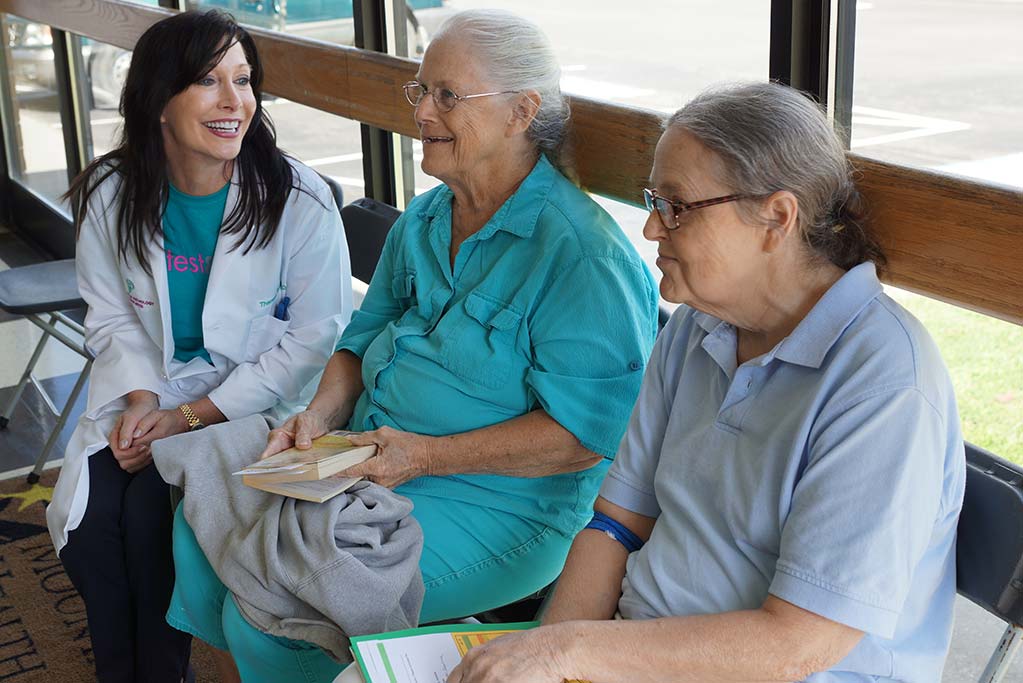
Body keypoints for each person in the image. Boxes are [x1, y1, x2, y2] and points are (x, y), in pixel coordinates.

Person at [166, 8, 659, 683]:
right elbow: (357, 341)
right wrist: (319, 416)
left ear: (521, 112)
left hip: (502, 504)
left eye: (447, 95)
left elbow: (587, 436)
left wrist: (423, 456)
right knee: (199, 536)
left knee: (277, 614)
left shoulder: (580, 254)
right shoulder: (427, 215)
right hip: (370, 458)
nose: (422, 110)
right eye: (420, 90)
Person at [449, 82, 966, 683]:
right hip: (631, 653)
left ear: (776, 218)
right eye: (653, 200)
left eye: (677, 205)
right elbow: (617, 522)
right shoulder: (701, 326)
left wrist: (566, 654)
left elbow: (797, 645)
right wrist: (550, 647)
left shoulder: (885, 383)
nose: (651, 229)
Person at [46, 10, 350, 683]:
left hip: (251, 404)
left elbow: (312, 339)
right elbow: (110, 318)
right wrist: (142, 403)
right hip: (147, 389)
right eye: (208, 82)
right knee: (94, 526)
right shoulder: (111, 191)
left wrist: (188, 417)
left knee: (153, 515)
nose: (234, 101)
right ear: (158, 99)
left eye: (243, 81)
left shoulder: (296, 198)